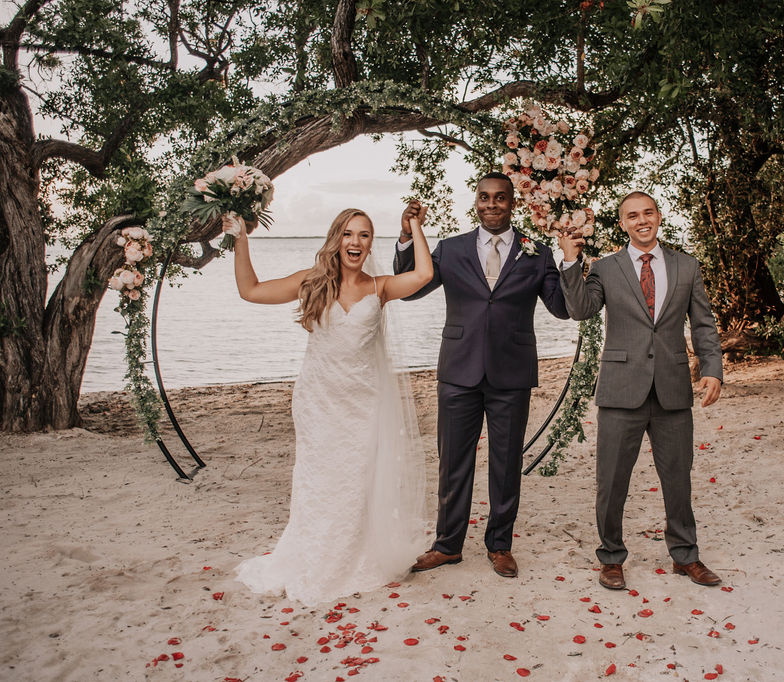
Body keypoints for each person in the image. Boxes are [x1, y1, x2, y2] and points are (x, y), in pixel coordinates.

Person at [231, 205, 433, 606]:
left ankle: (351, 558)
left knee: (355, 484)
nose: (355, 242)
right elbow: (250, 290)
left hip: (363, 404)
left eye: (364, 235)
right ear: (335, 239)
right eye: (348, 234)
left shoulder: (380, 287)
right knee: (318, 482)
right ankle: (313, 556)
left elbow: (425, 274)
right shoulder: (311, 282)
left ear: (371, 243)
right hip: (319, 402)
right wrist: (240, 238)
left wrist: (414, 226)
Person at [394, 172, 570, 578]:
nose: (492, 204)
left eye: (501, 198)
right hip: (458, 369)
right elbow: (412, 287)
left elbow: (561, 308)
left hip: (512, 372)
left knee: (506, 463)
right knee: (452, 460)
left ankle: (500, 545)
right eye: (485, 197)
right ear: (476, 201)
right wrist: (407, 238)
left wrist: (571, 262)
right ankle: (447, 545)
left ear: (513, 203)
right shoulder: (450, 249)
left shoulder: (537, 253)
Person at [557, 191, 724, 591]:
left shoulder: (686, 266)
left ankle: (686, 557)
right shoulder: (605, 268)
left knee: (678, 479)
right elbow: (581, 310)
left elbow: (703, 323)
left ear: (659, 216)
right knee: (612, 481)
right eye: (632, 216)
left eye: (647, 212)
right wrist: (569, 261)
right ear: (623, 223)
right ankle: (611, 558)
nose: (641, 220)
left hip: (672, 390)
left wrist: (713, 368)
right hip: (620, 391)